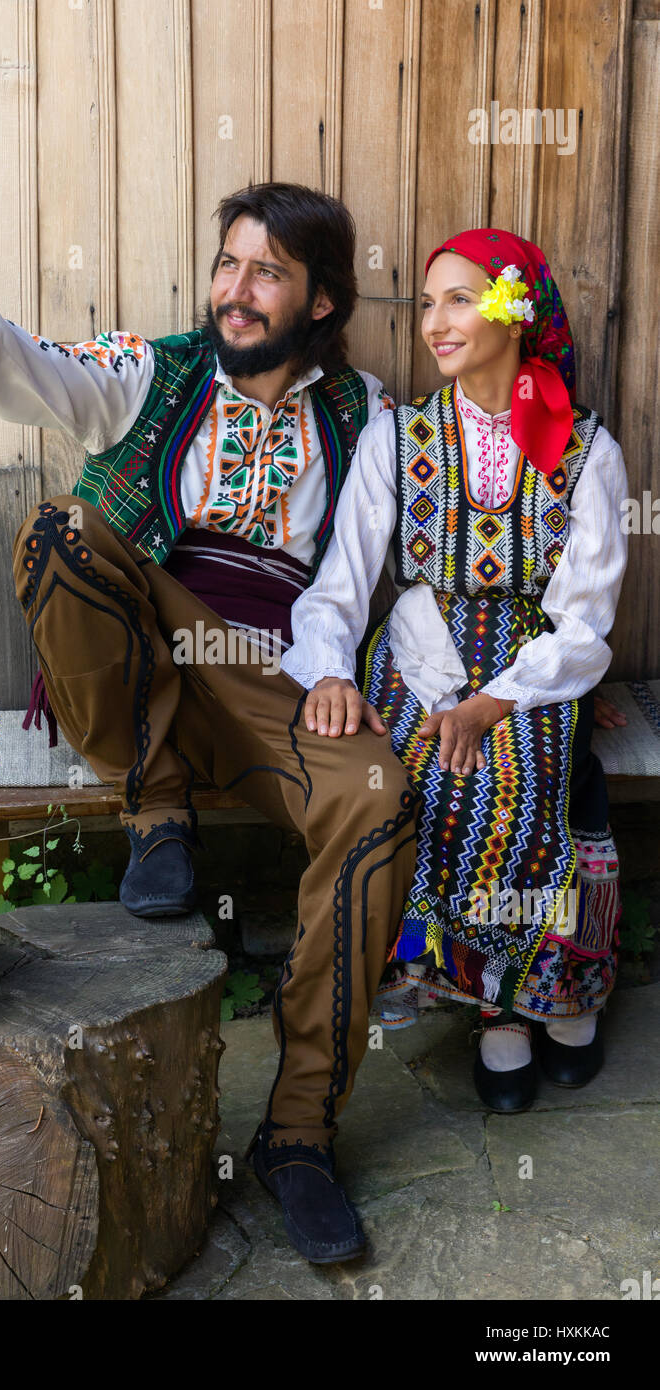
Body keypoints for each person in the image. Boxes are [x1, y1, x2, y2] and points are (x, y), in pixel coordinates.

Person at [0, 185, 421, 1265]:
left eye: (266, 272)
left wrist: (325, 677)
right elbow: (30, 375)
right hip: (148, 668)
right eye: (228, 264)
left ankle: (299, 1133)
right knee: (64, 534)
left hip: (269, 678)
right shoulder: (151, 370)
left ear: (320, 298)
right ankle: (153, 807)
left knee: (376, 800)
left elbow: (346, 582)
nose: (236, 289)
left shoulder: (367, 415)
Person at [282, 228, 628, 1113]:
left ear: (515, 314)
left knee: (526, 772)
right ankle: (493, 1007)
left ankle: (564, 989)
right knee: (426, 775)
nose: (435, 322)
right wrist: (327, 671)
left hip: (535, 660)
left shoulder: (586, 449)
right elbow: (342, 585)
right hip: (424, 643)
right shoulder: (396, 439)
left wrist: (495, 699)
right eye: (427, 302)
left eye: (460, 299)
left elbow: (585, 620)